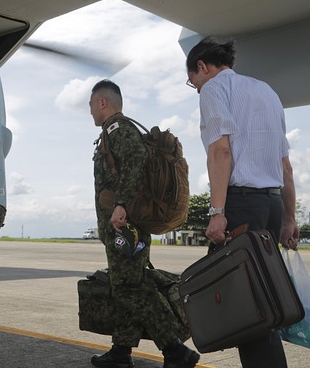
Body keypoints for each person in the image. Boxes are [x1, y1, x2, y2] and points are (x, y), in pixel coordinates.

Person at [186, 37, 298, 368]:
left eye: (191, 78)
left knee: (243, 304)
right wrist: (290, 219)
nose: (193, 86)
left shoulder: (213, 90)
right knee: (261, 298)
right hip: (272, 203)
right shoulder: (267, 91)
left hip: (240, 204)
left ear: (203, 67)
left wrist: (218, 212)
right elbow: (285, 166)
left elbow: (220, 150)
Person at [88, 79, 200, 368]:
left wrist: (122, 204)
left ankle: (175, 350)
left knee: (130, 287)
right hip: (123, 227)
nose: (90, 111)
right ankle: (121, 352)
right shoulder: (112, 132)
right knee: (124, 285)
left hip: (125, 227)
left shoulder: (118, 129)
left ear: (103, 103)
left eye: (91, 104)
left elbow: (136, 159)